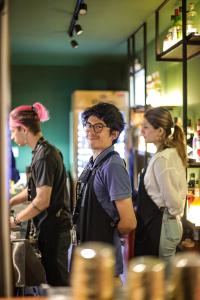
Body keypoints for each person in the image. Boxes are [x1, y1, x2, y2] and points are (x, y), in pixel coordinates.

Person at [73, 102, 137, 282]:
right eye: (88, 125)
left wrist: (108, 234)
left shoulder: (113, 166)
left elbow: (129, 222)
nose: (91, 131)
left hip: (104, 267)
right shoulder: (94, 163)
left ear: (114, 134)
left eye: (99, 126)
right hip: (90, 260)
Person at [9, 102, 72, 286]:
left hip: (56, 230)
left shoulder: (44, 156)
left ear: (23, 129)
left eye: (13, 131)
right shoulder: (40, 151)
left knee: (58, 285)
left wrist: (16, 220)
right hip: (51, 229)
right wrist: (10, 201)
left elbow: (42, 200)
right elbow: (32, 191)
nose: (13, 137)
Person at [134, 107, 187, 272]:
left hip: (162, 225)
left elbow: (174, 203)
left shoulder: (163, 159)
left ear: (160, 131)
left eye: (146, 127)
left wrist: (167, 216)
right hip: (160, 224)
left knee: (164, 281)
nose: (142, 132)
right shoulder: (165, 155)